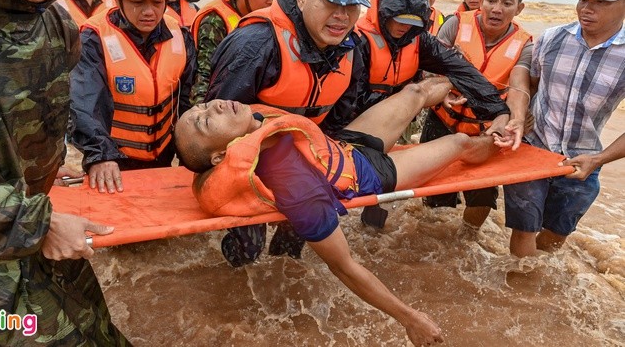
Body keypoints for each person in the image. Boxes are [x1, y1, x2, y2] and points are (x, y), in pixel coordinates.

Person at [174, 77, 498, 347]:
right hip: (376, 172)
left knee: (416, 92)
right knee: (459, 143)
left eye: (201, 106)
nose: (213, 105)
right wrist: (409, 318)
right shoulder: (294, 185)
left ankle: (476, 92)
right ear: (220, 157)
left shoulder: (251, 123)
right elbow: (344, 266)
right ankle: (501, 138)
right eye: (205, 121)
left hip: (345, 145)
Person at [0, 0, 128, 344]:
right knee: (28, 332)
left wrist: (72, 162)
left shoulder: (56, 25)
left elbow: (56, 118)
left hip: (38, 235)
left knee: (96, 331)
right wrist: (38, 223)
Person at [204, 0, 372, 265]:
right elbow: (215, 121)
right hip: (249, 163)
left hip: (303, 157)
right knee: (247, 252)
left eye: (351, 5)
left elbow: (342, 110)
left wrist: (320, 159)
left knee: (292, 249)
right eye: (331, 2)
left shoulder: (351, 47)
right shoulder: (256, 43)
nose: (342, 15)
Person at [354, 0, 512, 227]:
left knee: (379, 203)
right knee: (418, 92)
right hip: (352, 126)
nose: (403, 27)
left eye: (412, 22)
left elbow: (464, 72)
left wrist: (500, 112)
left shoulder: (418, 39)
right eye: (398, 20)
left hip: (391, 127)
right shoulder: (356, 40)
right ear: (384, 12)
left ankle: (372, 232)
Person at [503, 0, 625, 257]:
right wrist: (518, 117)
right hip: (533, 150)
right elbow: (527, 83)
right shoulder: (551, 39)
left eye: (600, 2)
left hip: (583, 160)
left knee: (555, 236)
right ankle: (518, 291)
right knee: (524, 228)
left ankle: (539, 286)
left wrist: (599, 159)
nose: (587, 8)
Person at [70, 0, 196, 194]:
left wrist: (189, 146)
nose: (149, 11)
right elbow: (83, 101)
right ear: (118, 0)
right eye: (138, 2)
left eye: (157, 2)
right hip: (115, 158)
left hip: (163, 153)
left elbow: (186, 96)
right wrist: (100, 156)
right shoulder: (92, 38)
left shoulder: (181, 35)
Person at [420, 0, 533, 231]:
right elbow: (428, 65)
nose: (496, 9)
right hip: (442, 120)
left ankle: (466, 238)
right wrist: (442, 88)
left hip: (485, 130)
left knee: (482, 192)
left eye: (507, 3)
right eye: (491, 0)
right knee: (434, 193)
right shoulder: (456, 24)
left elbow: (519, 85)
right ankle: (432, 238)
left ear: (520, 8)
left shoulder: (524, 44)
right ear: (481, 1)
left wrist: (516, 119)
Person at [189, 0, 284, 104]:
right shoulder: (214, 21)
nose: (271, 0)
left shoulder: (268, 15)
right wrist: (203, 114)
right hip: (223, 100)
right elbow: (204, 75)